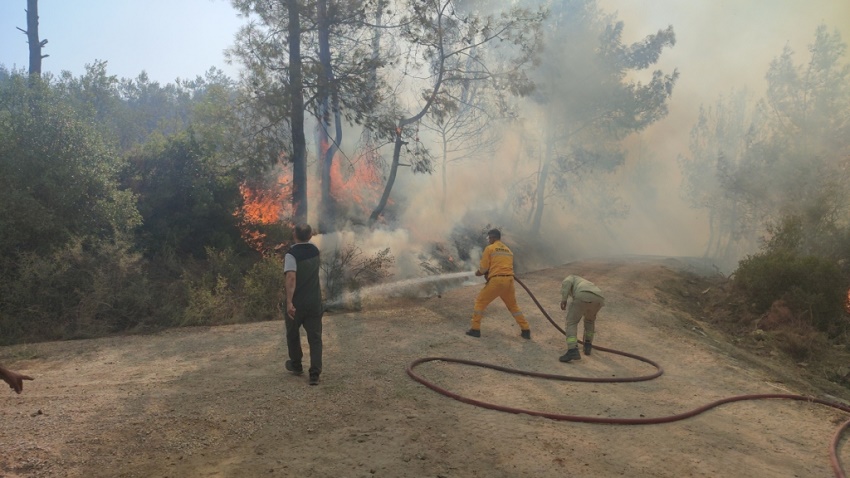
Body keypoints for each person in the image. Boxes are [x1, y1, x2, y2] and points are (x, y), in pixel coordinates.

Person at [466, 229, 531, 339]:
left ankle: (475, 329)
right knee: (513, 306)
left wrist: (479, 273)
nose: (488, 240)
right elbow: (500, 265)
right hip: (509, 281)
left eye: (489, 238)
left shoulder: (490, 248)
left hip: (497, 281)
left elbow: (483, 268)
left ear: (492, 237)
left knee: (480, 302)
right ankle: (526, 330)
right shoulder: (508, 250)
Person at [283, 223, 324, 385]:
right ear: (310, 235)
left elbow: (291, 278)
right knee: (315, 338)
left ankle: (296, 365)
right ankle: (314, 373)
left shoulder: (291, 255)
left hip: (297, 303)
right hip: (314, 302)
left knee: (293, 335)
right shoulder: (315, 250)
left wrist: (289, 302)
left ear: (295, 235)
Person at [558, 275, 605, 363]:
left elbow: (567, 283)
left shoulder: (570, 278)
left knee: (571, 323)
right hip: (599, 298)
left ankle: (572, 350)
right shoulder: (583, 281)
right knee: (590, 321)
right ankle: (588, 345)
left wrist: (564, 299)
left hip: (583, 295)